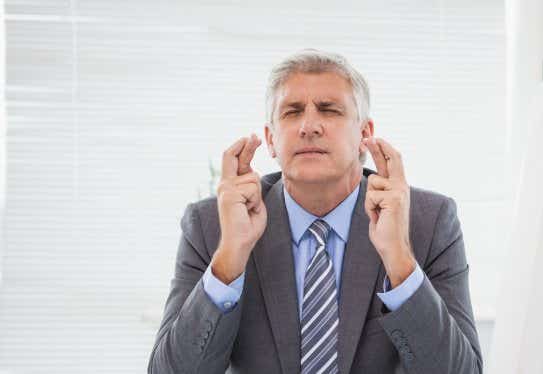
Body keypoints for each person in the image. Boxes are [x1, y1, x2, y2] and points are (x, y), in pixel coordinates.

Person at [148, 49, 482, 374]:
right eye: (292, 112)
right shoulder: (212, 226)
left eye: (329, 110)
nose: (309, 125)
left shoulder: (430, 221)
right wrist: (229, 260)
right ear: (271, 139)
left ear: (365, 133)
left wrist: (399, 262)